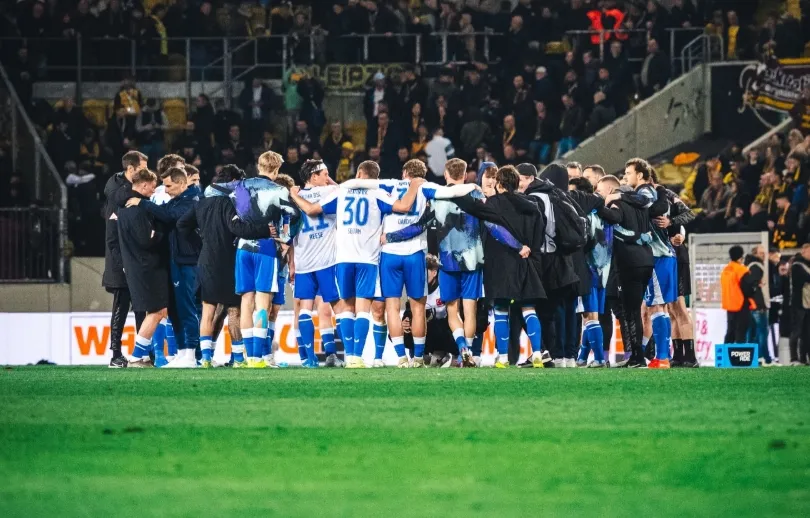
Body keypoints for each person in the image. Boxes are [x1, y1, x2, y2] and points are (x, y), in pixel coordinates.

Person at [290, 161, 423, 368]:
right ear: (376, 178)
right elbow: (404, 206)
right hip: (367, 260)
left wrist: (294, 195)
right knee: (364, 309)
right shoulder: (378, 193)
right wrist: (414, 185)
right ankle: (357, 357)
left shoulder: (340, 192)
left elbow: (311, 209)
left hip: (343, 259)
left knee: (346, 309)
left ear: (359, 173)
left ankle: (350, 355)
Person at [176, 165, 274, 368]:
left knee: (208, 311)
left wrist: (199, 244)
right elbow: (236, 227)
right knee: (234, 311)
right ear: (233, 181)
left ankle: (205, 359)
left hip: (205, 261)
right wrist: (264, 229)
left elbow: (181, 225)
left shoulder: (201, 203)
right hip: (226, 261)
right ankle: (238, 358)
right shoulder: (228, 202)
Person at [451, 166, 546, 368]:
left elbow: (470, 207)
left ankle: (502, 358)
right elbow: (540, 233)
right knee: (529, 309)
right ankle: (537, 353)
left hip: (499, 264)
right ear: (516, 183)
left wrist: (453, 189)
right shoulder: (533, 205)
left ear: (499, 184)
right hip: (527, 262)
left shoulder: (492, 204)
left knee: (501, 310)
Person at [126, 166, 203, 368]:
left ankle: (191, 354)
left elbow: (168, 216)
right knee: (175, 310)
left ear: (181, 183)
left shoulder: (193, 200)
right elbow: (165, 214)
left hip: (187, 261)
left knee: (186, 308)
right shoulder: (177, 200)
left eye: (168, 185)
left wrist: (143, 203)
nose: (165, 190)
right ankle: (181, 352)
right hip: (176, 259)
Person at [624, 159, 677, 369]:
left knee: (656, 307)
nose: (627, 177)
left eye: (629, 173)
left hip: (656, 255)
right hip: (665, 255)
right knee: (660, 307)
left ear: (640, 175)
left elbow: (646, 205)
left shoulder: (645, 191)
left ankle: (662, 357)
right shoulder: (655, 192)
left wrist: (619, 196)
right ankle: (661, 357)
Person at [290, 160, 342, 368]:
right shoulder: (330, 192)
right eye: (325, 174)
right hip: (326, 261)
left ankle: (309, 359)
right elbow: (341, 192)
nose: (327, 177)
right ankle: (344, 355)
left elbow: (288, 232)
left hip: (303, 262)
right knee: (337, 307)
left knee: (305, 308)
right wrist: (331, 182)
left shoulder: (294, 197)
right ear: (313, 176)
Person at [601, 170, 655, 368]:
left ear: (611, 190)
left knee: (631, 312)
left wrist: (599, 207)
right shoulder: (641, 206)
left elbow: (615, 224)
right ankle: (637, 355)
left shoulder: (618, 204)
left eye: (601, 192)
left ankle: (637, 357)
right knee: (635, 311)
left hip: (629, 262)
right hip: (646, 260)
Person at [102, 150, 148, 368]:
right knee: (120, 307)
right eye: (142, 169)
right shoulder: (117, 197)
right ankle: (115, 354)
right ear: (131, 169)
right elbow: (112, 238)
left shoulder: (133, 195)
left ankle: (141, 353)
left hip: (136, 261)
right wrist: (122, 265)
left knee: (141, 307)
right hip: (122, 263)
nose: (146, 173)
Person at [117, 169, 167, 368]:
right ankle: (137, 355)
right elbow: (146, 240)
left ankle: (144, 355)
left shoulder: (124, 208)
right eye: (153, 185)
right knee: (156, 312)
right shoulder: (137, 209)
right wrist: (162, 233)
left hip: (136, 266)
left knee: (158, 310)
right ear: (144, 184)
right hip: (146, 267)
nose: (155, 190)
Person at [745, 245, 775, 365]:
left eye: (764, 253)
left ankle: (756, 357)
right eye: (761, 253)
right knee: (762, 332)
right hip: (758, 306)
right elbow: (751, 282)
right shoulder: (757, 266)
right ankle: (764, 357)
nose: (763, 255)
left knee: (755, 333)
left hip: (753, 305)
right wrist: (757, 285)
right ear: (755, 254)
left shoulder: (750, 266)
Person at [721, 245, 757, 344]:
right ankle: (739, 357)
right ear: (741, 257)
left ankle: (727, 357)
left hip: (729, 306)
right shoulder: (741, 270)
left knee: (730, 332)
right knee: (741, 332)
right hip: (741, 305)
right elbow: (748, 288)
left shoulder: (726, 270)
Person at [788, 244, 810, 365]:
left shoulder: (805, 265)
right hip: (799, 304)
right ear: (804, 252)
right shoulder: (797, 266)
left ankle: (803, 358)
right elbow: (807, 278)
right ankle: (794, 358)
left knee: (807, 333)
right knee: (796, 332)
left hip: (807, 303)